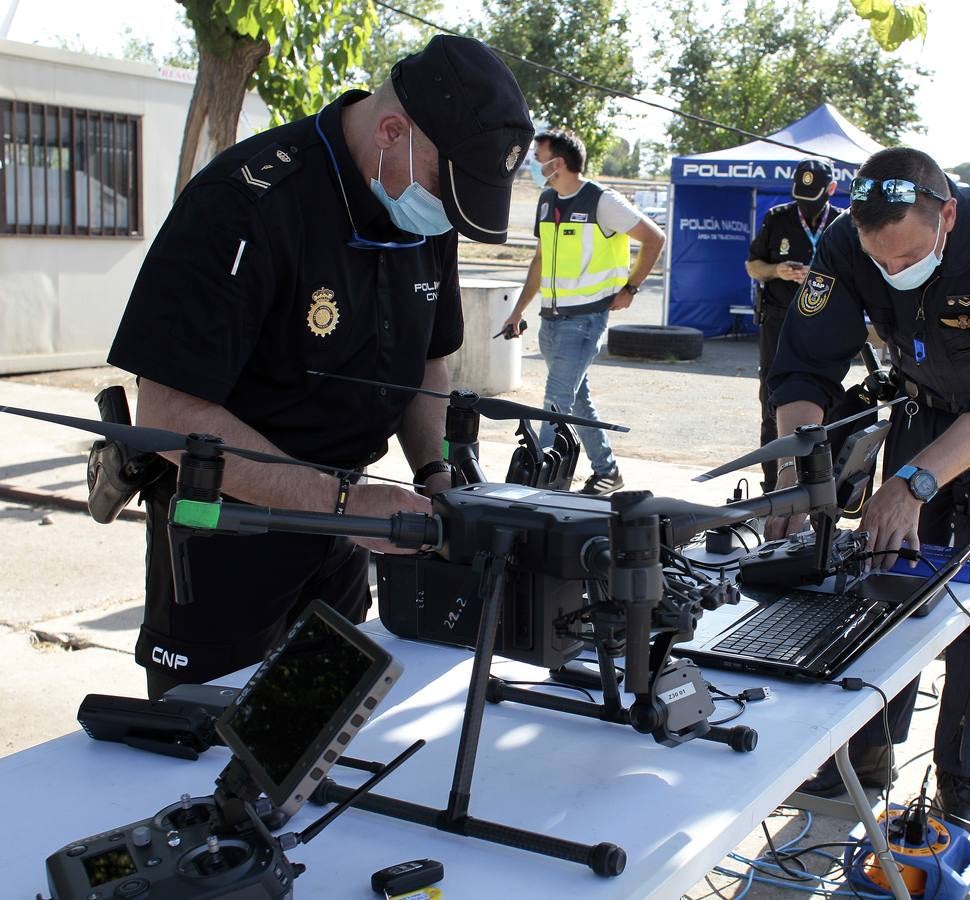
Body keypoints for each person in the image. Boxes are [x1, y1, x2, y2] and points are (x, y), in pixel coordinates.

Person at [106, 35, 534, 699]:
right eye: (441, 192)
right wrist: (345, 501)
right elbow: (168, 414)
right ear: (393, 131)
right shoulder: (242, 202)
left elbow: (427, 363)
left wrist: (435, 474)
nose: (444, 214)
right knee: (209, 763)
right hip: (225, 535)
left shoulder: (426, 218)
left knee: (321, 734)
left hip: (346, 529)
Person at [766, 147, 970, 845]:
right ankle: (862, 752)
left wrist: (914, 481)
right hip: (923, 408)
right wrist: (799, 470)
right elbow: (804, 366)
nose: (895, 274)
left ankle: (963, 771)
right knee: (886, 577)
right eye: (883, 264)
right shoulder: (844, 241)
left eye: (909, 257)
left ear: (948, 214)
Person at [500, 129, 665, 495]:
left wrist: (631, 288)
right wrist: (519, 310)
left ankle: (539, 483)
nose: (532, 164)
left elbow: (655, 239)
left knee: (555, 400)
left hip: (586, 321)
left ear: (556, 163)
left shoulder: (603, 201)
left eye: (537, 156)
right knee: (577, 401)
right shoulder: (547, 201)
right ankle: (608, 471)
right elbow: (540, 260)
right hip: (551, 321)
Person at [746, 159, 840, 492]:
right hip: (778, 324)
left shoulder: (842, 225)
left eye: (813, 198)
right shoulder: (778, 218)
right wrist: (777, 271)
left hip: (823, 326)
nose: (806, 207)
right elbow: (753, 266)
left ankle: (818, 487)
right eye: (801, 197)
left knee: (822, 405)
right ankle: (774, 487)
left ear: (831, 190)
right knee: (773, 404)